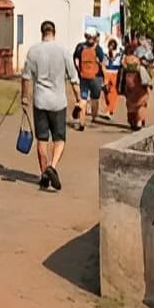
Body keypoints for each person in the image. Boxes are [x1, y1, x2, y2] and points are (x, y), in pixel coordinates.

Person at [21, 20, 79, 191]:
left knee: (42, 139)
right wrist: (79, 99)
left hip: (40, 100)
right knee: (59, 139)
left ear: (42, 33)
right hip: (58, 101)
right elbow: (73, 77)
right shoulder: (63, 51)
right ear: (54, 32)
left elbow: (26, 77)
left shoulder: (33, 51)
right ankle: (52, 166)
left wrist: (25, 98)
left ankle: (44, 172)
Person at [72, 28, 106, 128]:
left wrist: (78, 70)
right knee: (95, 98)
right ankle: (94, 117)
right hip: (96, 76)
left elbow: (75, 59)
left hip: (83, 76)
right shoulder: (98, 49)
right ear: (95, 37)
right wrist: (105, 77)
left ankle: (82, 122)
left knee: (83, 98)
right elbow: (102, 63)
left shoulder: (80, 47)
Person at [121, 41, 153, 131]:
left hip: (129, 84)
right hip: (139, 83)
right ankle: (139, 123)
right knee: (141, 103)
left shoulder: (124, 60)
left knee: (131, 103)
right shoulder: (138, 59)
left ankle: (132, 122)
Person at [102, 37, 123, 121]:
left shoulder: (118, 54)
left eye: (112, 45)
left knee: (111, 92)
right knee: (109, 92)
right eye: (111, 45)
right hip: (110, 73)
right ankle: (109, 109)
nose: (111, 46)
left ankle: (109, 110)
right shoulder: (106, 54)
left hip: (111, 73)